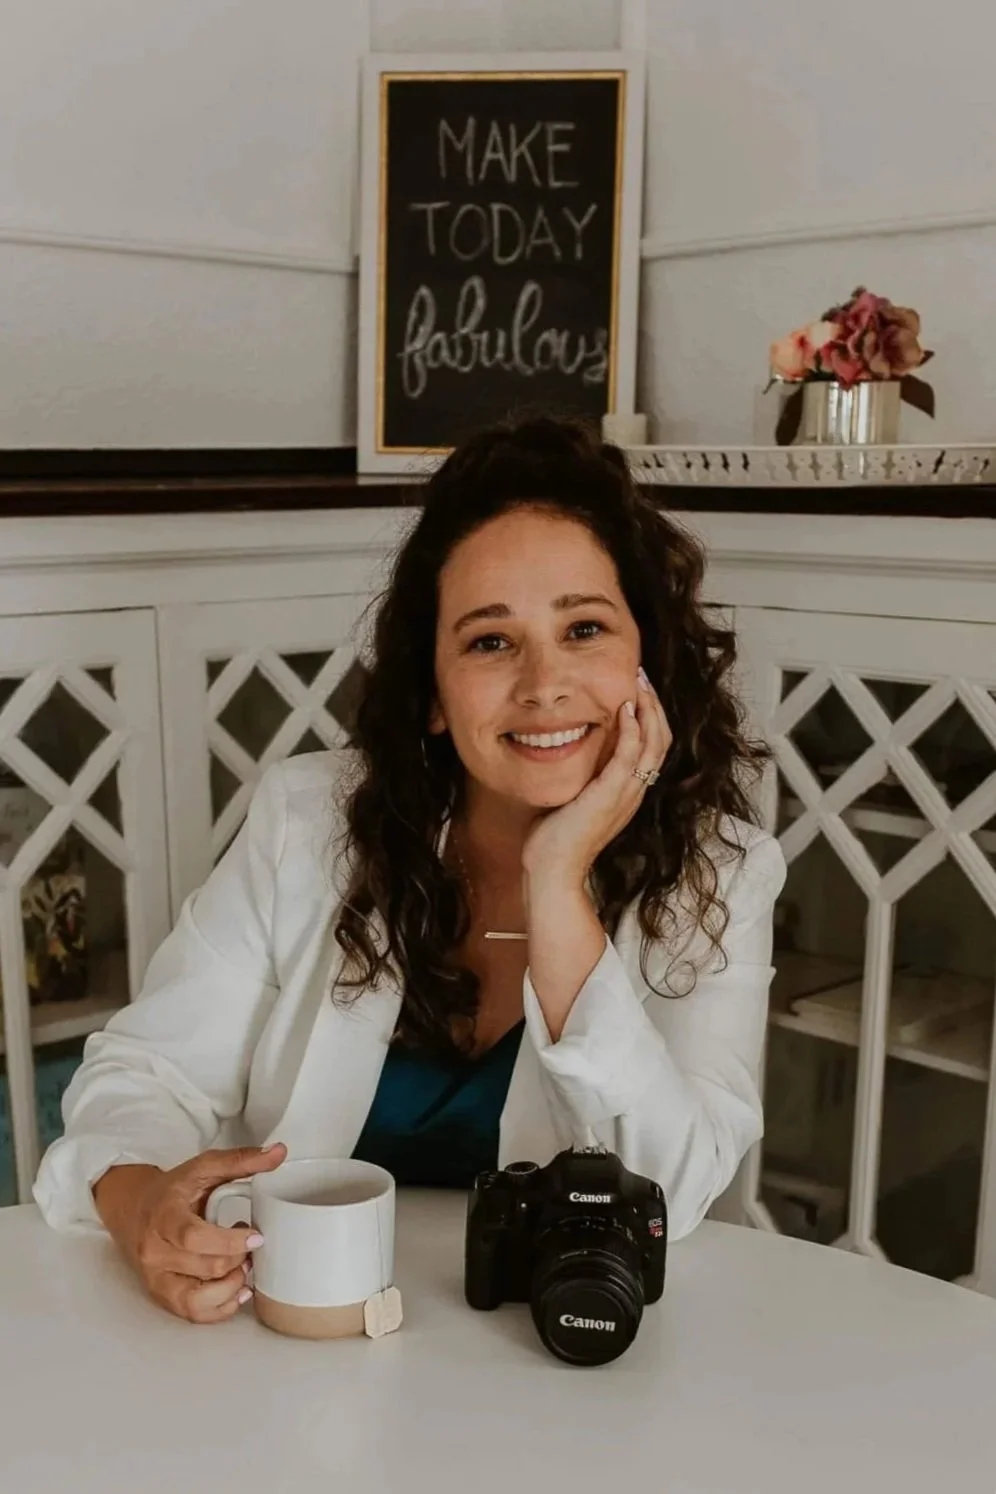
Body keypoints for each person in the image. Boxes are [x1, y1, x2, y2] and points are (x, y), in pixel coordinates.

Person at [34, 416, 785, 1324]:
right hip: (294, 1330)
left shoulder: (722, 875)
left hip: (551, 1352)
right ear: (433, 693)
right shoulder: (305, 820)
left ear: (645, 663)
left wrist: (557, 885)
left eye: (584, 628)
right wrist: (139, 1206)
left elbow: (673, 1187)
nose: (544, 684)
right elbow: (147, 1075)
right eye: (490, 641)